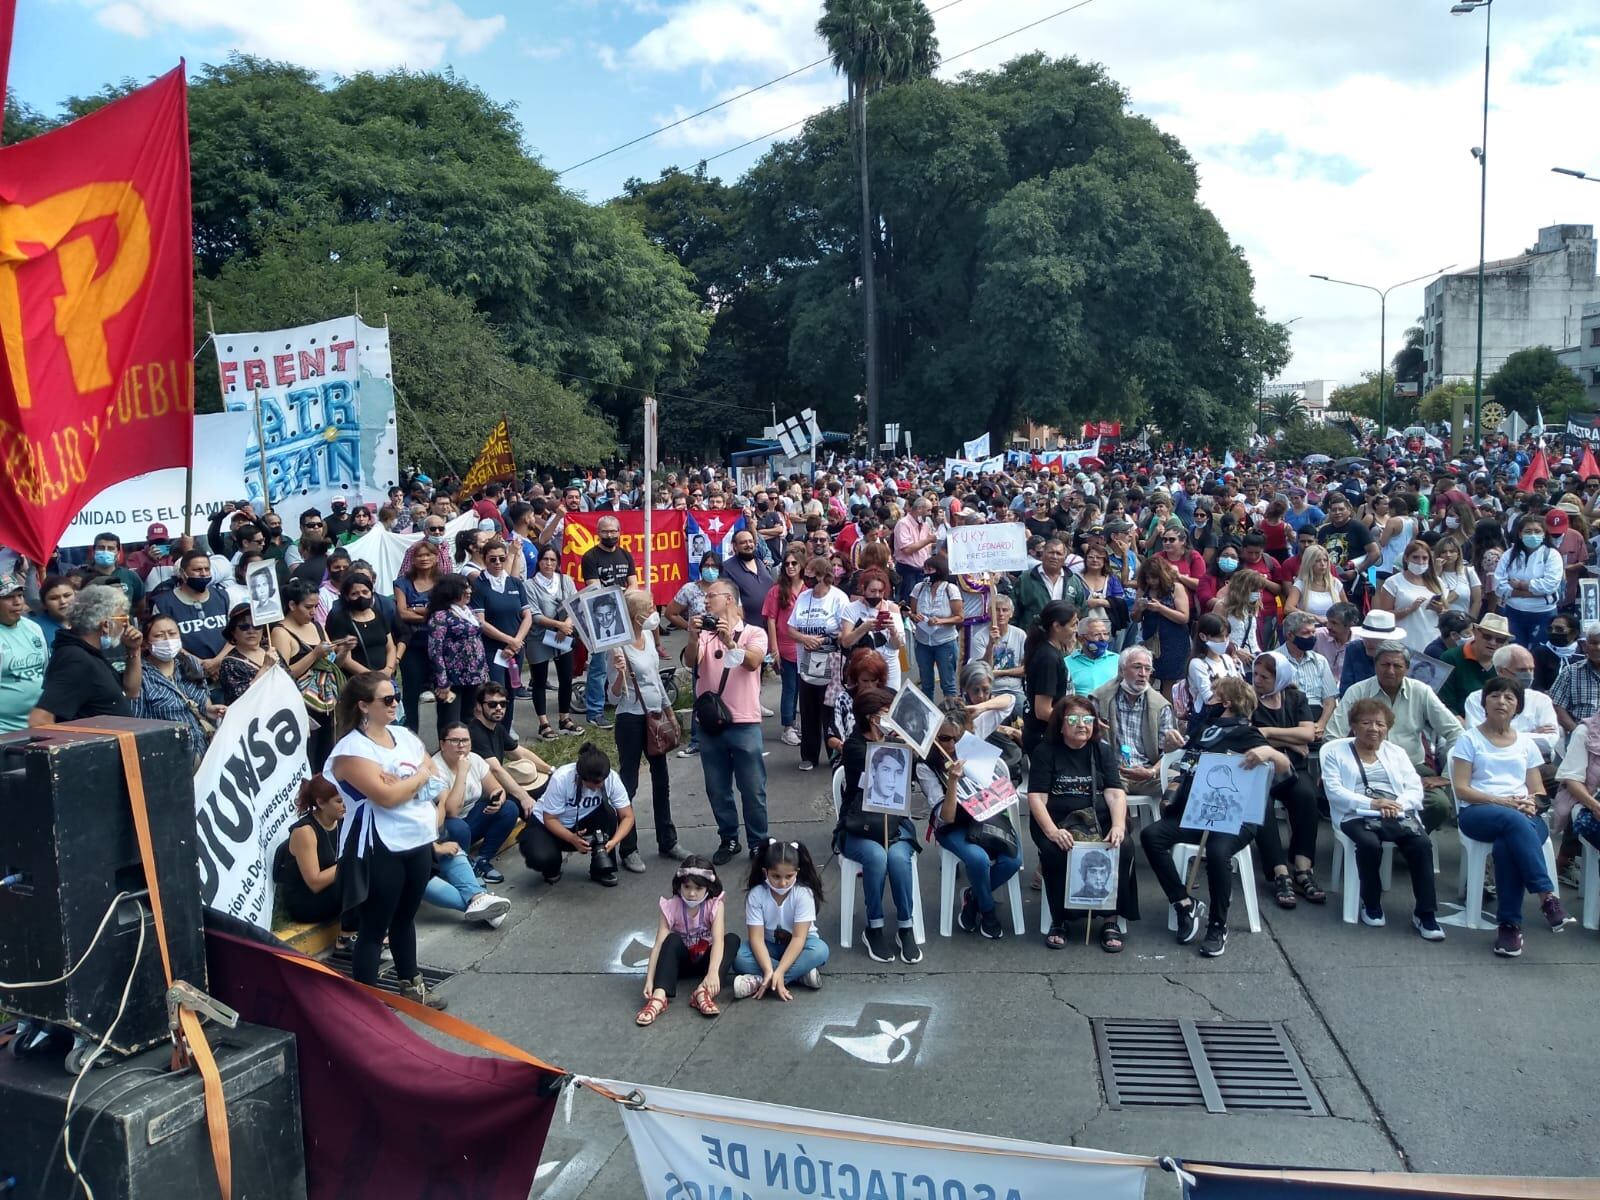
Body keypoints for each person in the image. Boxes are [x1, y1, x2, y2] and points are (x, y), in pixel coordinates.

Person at [1140, 678, 1293, 959]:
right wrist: (1177, 744)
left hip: (1236, 817)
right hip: (1197, 811)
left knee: (1217, 850)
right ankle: (1184, 903)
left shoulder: (1249, 734)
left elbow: (1286, 769)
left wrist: (1269, 752)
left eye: (1211, 697)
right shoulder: (1206, 729)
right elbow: (1189, 762)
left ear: (1226, 703)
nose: (1205, 700)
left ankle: (1217, 925)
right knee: (1151, 836)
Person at [327, 671, 445, 1008]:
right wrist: (417, 776)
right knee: (375, 925)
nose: (395, 704)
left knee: (406, 917)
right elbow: (386, 797)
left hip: (417, 837)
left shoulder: (403, 735)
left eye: (396, 696)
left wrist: (406, 781)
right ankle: (368, 1001)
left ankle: (412, 983)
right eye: (387, 699)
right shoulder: (351, 750)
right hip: (379, 844)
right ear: (364, 705)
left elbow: (435, 782)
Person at [1449, 677, 1574, 957]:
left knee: (1508, 844)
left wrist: (1533, 803)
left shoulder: (1526, 744)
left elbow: (1539, 791)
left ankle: (1509, 927)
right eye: (1495, 696)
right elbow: (1462, 789)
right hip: (1478, 812)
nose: (1501, 702)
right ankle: (1547, 897)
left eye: (1509, 697)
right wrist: (1501, 801)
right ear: (1484, 702)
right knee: (1513, 822)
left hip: (1521, 816)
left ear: (1518, 706)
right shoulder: (1469, 740)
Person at [1320, 700, 1443, 938]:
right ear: (1353, 726)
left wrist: (1398, 804)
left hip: (1395, 813)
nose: (1373, 729)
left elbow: (1414, 788)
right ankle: (1371, 901)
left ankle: (1425, 913)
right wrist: (1372, 803)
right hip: (1355, 813)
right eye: (1366, 723)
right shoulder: (1336, 753)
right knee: (1369, 843)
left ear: (1387, 728)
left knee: (1421, 844)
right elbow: (1334, 791)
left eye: (1380, 724)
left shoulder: (1396, 753)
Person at [1027, 694, 1137, 951]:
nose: (1082, 725)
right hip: (1057, 821)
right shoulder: (1046, 751)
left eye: (1087, 719)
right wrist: (1053, 831)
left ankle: (1110, 918)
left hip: (1098, 820)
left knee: (1123, 847)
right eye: (1074, 719)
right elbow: (1036, 797)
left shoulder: (1102, 750)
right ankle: (1060, 919)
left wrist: (1118, 825)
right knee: (1056, 851)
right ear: (1061, 724)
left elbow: (1115, 792)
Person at [915, 697, 1024, 939]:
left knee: (1013, 861)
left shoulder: (972, 741)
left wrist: (979, 708)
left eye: (958, 737)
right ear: (933, 736)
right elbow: (945, 818)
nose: (952, 744)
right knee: (978, 860)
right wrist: (952, 781)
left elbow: (1009, 702)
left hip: (988, 816)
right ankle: (988, 912)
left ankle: (972, 898)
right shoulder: (926, 765)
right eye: (944, 738)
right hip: (954, 825)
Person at [836, 688, 922, 964]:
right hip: (860, 826)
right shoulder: (854, 747)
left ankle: (905, 927)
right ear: (873, 718)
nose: (893, 718)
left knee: (897, 859)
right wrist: (905, 747)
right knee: (876, 856)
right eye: (888, 713)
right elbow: (876, 762)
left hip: (894, 825)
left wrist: (917, 743)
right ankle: (874, 926)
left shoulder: (896, 741)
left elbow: (917, 765)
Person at [688, 577, 770, 864]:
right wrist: (691, 636)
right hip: (711, 724)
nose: (706, 600)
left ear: (730, 599)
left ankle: (759, 842)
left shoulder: (754, 632)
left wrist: (730, 641)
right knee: (717, 787)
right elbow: (691, 662)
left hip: (744, 721)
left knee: (752, 788)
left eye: (712, 595)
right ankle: (729, 838)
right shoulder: (704, 635)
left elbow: (752, 662)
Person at [608, 589, 685, 868]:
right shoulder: (618, 646)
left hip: (655, 716)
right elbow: (613, 697)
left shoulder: (650, 639)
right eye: (649, 607)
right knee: (629, 782)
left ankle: (668, 840)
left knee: (661, 779)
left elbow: (655, 679)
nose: (654, 611)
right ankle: (628, 848)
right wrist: (619, 675)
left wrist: (669, 713)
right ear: (635, 614)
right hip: (631, 719)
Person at [1246, 654, 1325, 908]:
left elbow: (1309, 733)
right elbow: (1248, 737)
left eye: (1264, 677)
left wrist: (1269, 733)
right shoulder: (1248, 699)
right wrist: (1291, 740)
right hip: (1259, 770)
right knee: (1262, 804)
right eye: (1255, 674)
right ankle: (1279, 871)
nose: (1257, 680)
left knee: (1306, 795)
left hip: (1293, 769)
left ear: (1280, 677)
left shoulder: (1295, 698)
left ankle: (1303, 867)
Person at [637, 857, 739, 1025]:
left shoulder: (714, 905)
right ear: (679, 885)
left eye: (698, 888)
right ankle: (659, 997)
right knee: (671, 939)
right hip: (680, 965)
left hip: (705, 963)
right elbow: (658, 946)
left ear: (709, 887)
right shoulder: (671, 906)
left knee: (732, 940)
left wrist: (713, 972)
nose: (692, 893)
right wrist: (650, 979)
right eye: (687, 887)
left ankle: (702, 992)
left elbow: (718, 940)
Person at [519, 743, 636, 887]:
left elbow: (627, 816)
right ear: (581, 777)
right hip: (548, 823)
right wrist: (571, 838)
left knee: (608, 813)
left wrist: (614, 841)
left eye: (602, 781)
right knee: (542, 857)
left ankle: (601, 868)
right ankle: (552, 865)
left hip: (583, 821)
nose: (598, 786)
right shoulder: (562, 778)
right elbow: (549, 818)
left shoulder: (611, 778)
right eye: (593, 783)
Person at [430, 721, 527, 886]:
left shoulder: (474, 759)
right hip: (445, 829)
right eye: (455, 741)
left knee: (509, 808)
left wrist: (498, 799)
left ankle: (482, 859)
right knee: (458, 827)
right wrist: (462, 772)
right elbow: (451, 811)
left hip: (471, 819)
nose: (461, 745)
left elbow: (496, 787)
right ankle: (463, 868)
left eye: (465, 740)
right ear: (442, 744)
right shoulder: (435, 768)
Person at [731, 839, 829, 999]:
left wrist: (781, 970)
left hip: (801, 945)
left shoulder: (803, 894)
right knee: (738, 957)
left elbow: (798, 938)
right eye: (776, 876)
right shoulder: (757, 894)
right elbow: (756, 938)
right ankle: (798, 975)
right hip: (769, 945)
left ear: (797, 872)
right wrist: (769, 969)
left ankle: (761, 981)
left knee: (820, 950)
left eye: (789, 876)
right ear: (765, 872)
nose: (782, 883)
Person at [30, 585, 141, 725]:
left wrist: (133, 650)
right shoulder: (75, 659)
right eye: (122, 619)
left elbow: (131, 691)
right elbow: (40, 720)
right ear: (106, 625)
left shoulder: (90, 653)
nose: (125, 625)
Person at [1092, 646, 1183, 811]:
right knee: (1100, 791)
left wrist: (1152, 771)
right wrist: (1092, 729)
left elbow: (1167, 753)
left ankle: (1165, 827)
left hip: (1148, 774)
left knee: (1184, 783)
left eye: (1147, 669)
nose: (1143, 673)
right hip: (1113, 771)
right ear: (1121, 670)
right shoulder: (1101, 699)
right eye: (1137, 667)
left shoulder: (1160, 705)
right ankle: (1119, 831)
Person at [271, 578, 348, 771]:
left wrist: (344, 650)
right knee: (309, 755)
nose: (313, 612)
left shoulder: (316, 626)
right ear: (292, 605)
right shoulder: (281, 632)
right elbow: (283, 674)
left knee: (327, 752)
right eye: (308, 607)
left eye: (316, 606)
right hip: (301, 704)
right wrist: (314, 655)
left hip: (327, 701)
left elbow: (332, 664)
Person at [134, 613, 225, 762]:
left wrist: (211, 710)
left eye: (172, 634)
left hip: (207, 748)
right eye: (159, 635)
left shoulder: (190, 664)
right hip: (171, 758)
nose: (168, 640)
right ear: (145, 643)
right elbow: (137, 722)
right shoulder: (140, 676)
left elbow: (204, 703)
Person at [788, 555, 848, 772]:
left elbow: (845, 631)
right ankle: (809, 755)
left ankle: (836, 753)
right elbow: (791, 627)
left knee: (830, 710)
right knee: (808, 709)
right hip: (806, 662)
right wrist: (804, 639)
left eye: (812, 574)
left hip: (831, 663)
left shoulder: (839, 598)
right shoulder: (804, 597)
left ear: (823, 576)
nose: (808, 577)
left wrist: (824, 639)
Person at [580, 515, 637, 729]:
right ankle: (595, 711)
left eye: (613, 531)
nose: (610, 535)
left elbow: (633, 583)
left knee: (625, 660)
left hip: (624, 615)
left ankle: (619, 699)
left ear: (619, 532)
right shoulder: (590, 557)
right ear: (598, 533)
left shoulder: (626, 555)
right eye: (605, 531)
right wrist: (620, 593)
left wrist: (623, 594)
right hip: (600, 617)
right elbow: (595, 589)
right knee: (599, 666)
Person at [470, 538, 533, 728]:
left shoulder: (515, 583)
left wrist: (516, 642)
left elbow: (527, 616)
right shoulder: (479, 586)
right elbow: (481, 622)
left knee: (512, 689)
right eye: (492, 559)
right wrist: (508, 641)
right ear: (484, 559)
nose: (498, 563)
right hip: (493, 649)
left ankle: (507, 727)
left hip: (516, 648)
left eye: (501, 559)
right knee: (496, 691)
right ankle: (493, 728)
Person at [275, 775, 349, 927]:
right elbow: (314, 882)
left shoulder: (342, 821)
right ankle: (346, 937)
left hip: (332, 890)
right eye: (339, 801)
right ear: (320, 803)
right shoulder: (305, 832)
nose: (345, 805)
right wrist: (350, 864)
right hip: (306, 901)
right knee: (356, 880)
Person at [526, 544, 582, 740]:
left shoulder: (566, 580)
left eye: (552, 560)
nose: (548, 563)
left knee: (566, 677)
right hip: (539, 637)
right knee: (539, 680)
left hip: (562, 635)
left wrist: (565, 625)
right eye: (545, 559)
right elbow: (534, 614)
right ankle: (544, 724)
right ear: (539, 562)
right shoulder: (529, 585)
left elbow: (576, 604)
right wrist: (558, 624)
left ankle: (564, 719)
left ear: (557, 562)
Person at [149, 549, 232, 679]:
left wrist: (217, 661)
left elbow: (236, 634)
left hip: (225, 671)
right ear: (183, 573)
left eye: (207, 569)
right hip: (187, 676)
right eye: (198, 570)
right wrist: (199, 664)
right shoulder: (163, 604)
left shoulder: (223, 597)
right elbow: (165, 642)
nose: (204, 574)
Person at [393, 535, 446, 734]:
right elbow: (402, 612)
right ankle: (411, 735)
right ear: (413, 559)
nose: (424, 559)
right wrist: (431, 612)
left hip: (440, 645)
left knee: (443, 690)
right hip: (413, 645)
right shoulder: (402, 583)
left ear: (435, 557)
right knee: (411, 692)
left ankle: (445, 736)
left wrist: (415, 611)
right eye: (419, 555)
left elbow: (445, 611)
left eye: (428, 555)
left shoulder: (443, 582)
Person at [425, 574, 488, 737]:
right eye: (464, 588)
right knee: (450, 721)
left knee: (470, 718)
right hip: (452, 679)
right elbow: (435, 650)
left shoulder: (468, 611)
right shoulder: (440, 616)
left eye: (469, 587)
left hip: (474, 676)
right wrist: (442, 682)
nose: (468, 591)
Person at [1493, 513, 1563, 647]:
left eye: (1537, 531)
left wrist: (1519, 585)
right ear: (1520, 534)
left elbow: (1549, 586)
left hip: (1543, 613)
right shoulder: (1508, 555)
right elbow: (1498, 585)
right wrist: (1530, 591)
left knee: (1539, 654)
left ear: (1544, 534)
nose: (1532, 535)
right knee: (1514, 652)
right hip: (1513, 612)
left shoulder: (1552, 555)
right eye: (1528, 531)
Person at [1020, 599, 1078, 754]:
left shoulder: (1050, 652)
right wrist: (1076, 722)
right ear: (1057, 626)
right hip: (1045, 737)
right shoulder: (1048, 658)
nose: (1076, 630)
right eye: (1073, 625)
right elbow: (1043, 710)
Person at [839, 565, 904, 694]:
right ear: (863, 589)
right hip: (863, 671)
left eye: (881, 591)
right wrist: (863, 629)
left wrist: (892, 630)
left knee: (886, 706)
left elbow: (898, 645)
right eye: (873, 591)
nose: (877, 595)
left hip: (889, 669)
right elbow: (845, 642)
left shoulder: (892, 608)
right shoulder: (852, 609)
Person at [1132, 555, 1190, 701]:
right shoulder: (1143, 590)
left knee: (1168, 681)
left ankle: (1166, 713)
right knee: (1146, 676)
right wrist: (1139, 608)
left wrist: (1160, 608)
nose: (1151, 582)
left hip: (1173, 640)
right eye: (1148, 578)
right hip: (1151, 639)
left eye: (1154, 578)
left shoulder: (1176, 588)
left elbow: (1184, 617)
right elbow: (1135, 618)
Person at [908, 554, 962, 698]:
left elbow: (959, 617)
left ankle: (951, 716)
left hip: (945, 641)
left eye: (929, 569)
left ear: (939, 570)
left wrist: (940, 621)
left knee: (948, 684)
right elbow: (911, 613)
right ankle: (928, 718)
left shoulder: (950, 589)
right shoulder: (919, 588)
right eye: (925, 569)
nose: (926, 572)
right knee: (926, 684)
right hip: (923, 641)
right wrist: (914, 617)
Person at [0, 574, 48, 732]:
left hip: (39, 724)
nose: (17, 602)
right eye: (8, 597)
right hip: (5, 731)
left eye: (20, 595)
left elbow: (45, 671)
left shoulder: (33, 628)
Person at [327, 573, 396, 680]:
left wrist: (388, 669)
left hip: (385, 677)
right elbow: (346, 660)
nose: (361, 597)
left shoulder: (378, 615)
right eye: (355, 594)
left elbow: (390, 647)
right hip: (358, 680)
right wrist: (373, 675)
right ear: (346, 596)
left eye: (365, 592)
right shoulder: (340, 620)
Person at [1437, 613, 1510, 716]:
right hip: (1458, 723)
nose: (1493, 643)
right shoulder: (1450, 657)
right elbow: (1444, 703)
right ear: (1475, 632)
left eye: (1500, 640)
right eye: (1487, 636)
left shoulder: (1507, 663)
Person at [970, 594, 1025, 715]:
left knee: (1024, 714)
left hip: (1015, 690)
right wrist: (990, 645)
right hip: (991, 690)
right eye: (997, 610)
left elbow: (1025, 669)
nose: (1001, 614)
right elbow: (982, 671)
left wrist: (1000, 673)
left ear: (1011, 613)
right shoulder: (979, 637)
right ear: (990, 612)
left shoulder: (1020, 635)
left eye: (1005, 610)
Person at [1186, 613, 1243, 718]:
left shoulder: (1227, 659)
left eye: (1227, 636)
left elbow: (1240, 687)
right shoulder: (1197, 664)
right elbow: (1209, 698)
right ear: (1203, 636)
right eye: (1220, 637)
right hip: (1208, 719)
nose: (1225, 641)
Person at [892, 496, 938, 601]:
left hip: (922, 571)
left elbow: (927, 546)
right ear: (919, 509)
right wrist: (929, 540)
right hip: (907, 571)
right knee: (908, 603)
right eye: (928, 510)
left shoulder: (925, 524)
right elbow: (907, 549)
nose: (930, 513)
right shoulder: (903, 524)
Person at [85, 531, 145, 606]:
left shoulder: (130, 576)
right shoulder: (82, 575)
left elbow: (140, 606)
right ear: (94, 551)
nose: (105, 551)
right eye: (101, 548)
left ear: (118, 553)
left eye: (110, 549)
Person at [1064, 613, 1119, 694]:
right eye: (1096, 634)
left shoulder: (1119, 660)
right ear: (1081, 639)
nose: (1102, 638)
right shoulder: (1066, 663)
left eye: (1105, 634)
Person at [31, 575, 76, 649]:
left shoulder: (88, 622)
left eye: (67, 596)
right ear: (44, 604)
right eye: (54, 598)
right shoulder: (34, 627)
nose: (63, 601)